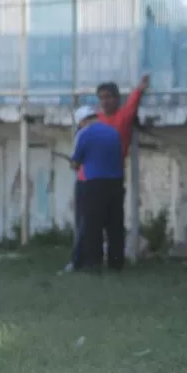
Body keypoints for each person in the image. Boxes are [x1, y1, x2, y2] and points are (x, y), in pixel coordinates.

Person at [63, 75, 149, 272]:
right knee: (86, 225)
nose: (105, 101)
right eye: (101, 97)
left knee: (108, 225)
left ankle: (99, 263)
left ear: (117, 98)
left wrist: (139, 89)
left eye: (109, 96)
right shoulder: (95, 122)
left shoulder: (122, 117)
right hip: (88, 178)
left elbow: (132, 105)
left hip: (105, 178)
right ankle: (82, 260)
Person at [70, 106, 126, 271]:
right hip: (116, 183)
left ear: (82, 121)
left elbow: (76, 162)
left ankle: (93, 263)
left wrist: (75, 164)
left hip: (94, 184)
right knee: (115, 226)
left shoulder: (84, 134)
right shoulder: (113, 132)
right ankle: (116, 264)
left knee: (93, 225)